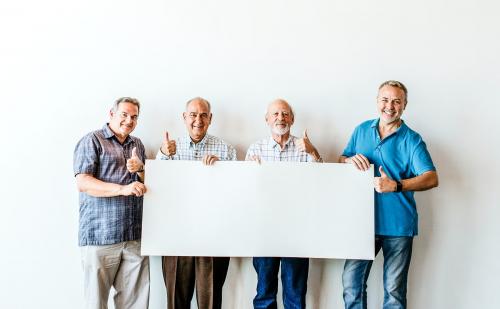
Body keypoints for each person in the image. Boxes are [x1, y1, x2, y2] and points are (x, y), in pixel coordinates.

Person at [340, 80, 439, 309]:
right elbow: (341, 160)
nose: (390, 106)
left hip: (398, 226)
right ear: (377, 101)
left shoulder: (412, 139)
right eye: (385, 100)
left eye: (396, 101)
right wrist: (348, 160)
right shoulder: (361, 130)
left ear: (404, 105)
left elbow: (431, 177)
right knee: (350, 286)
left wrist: (395, 185)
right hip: (362, 224)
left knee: (394, 293)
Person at [156, 97, 236, 309]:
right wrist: (163, 155)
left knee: (209, 300)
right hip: (176, 236)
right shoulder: (169, 148)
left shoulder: (226, 150)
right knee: (176, 299)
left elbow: (235, 193)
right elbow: (157, 187)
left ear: (210, 118)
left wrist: (222, 171)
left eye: (203, 115)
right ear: (184, 117)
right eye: (193, 114)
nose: (198, 120)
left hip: (212, 236)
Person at [73, 97, 149, 309]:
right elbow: (83, 182)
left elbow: (147, 184)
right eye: (124, 114)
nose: (129, 120)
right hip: (101, 237)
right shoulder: (92, 141)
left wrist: (141, 170)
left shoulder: (138, 144)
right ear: (111, 114)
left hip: (134, 238)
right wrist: (122, 189)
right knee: (96, 303)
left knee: (135, 304)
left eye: (134, 117)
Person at [246, 98, 323, 309]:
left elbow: (322, 183)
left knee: (295, 293)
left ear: (293, 119)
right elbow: (246, 192)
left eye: (285, 114)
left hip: (296, 230)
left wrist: (313, 152)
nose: (281, 118)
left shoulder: (304, 147)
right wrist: (249, 173)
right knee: (264, 293)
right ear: (267, 119)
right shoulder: (256, 149)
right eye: (276, 114)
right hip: (264, 229)